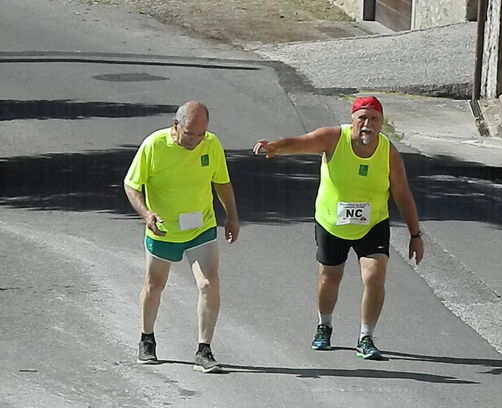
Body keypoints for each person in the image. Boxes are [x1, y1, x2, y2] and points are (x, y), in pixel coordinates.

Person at [253, 96, 423, 360]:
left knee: (375, 276)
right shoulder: (334, 138)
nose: (367, 124)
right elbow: (302, 142)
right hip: (332, 221)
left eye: (374, 119)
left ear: (381, 123)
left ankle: (365, 337)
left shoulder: (388, 152)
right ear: (352, 119)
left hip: (372, 223)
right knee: (330, 277)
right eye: (362, 118)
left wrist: (415, 234)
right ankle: (324, 325)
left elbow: (402, 194)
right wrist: (276, 146)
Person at [124, 101, 239, 373]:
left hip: (201, 228)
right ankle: (147, 338)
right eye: (190, 134)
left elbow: (221, 182)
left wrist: (232, 216)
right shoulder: (154, 145)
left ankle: (204, 350)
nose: (196, 141)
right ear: (175, 125)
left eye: (201, 134)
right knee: (154, 285)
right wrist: (146, 214)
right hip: (163, 229)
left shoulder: (210, 144)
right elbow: (131, 185)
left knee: (209, 284)